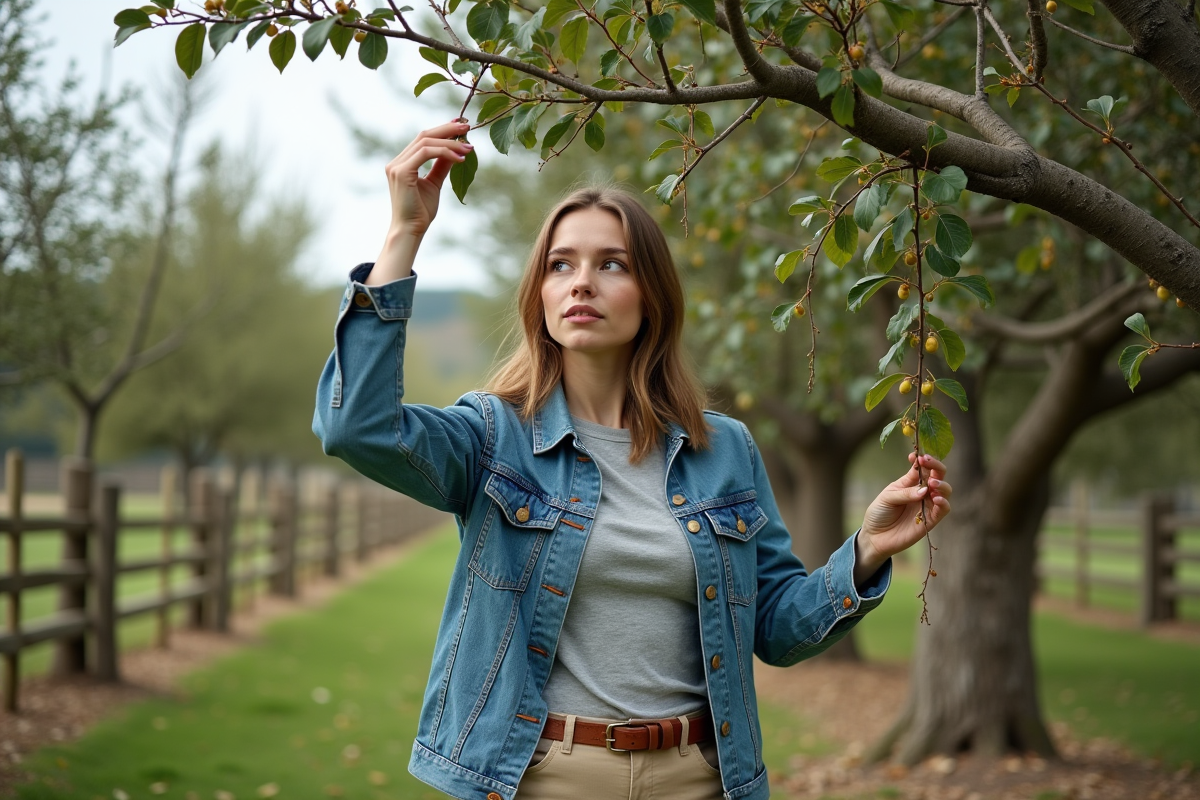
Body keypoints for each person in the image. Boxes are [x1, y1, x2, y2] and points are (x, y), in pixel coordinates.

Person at [312, 118, 952, 800]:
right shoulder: (494, 436)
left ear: (651, 296)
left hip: (701, 777)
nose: (580, 283)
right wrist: (404, 234)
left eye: (610, 264)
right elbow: (359, 427)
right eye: (561, 265)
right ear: (541, 295)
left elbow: (774, 627)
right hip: (543, 777)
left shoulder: (723, 448)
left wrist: (865, 554)